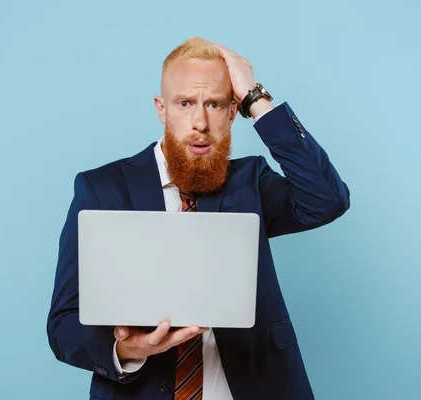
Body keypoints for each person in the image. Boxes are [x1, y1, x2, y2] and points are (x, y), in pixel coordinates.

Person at [47, 37, 350, 400]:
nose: (200, 122)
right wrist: (128, 350)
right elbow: (63, 323)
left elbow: (327, 199)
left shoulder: (250, 182)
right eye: (185, 103)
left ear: (232, 110)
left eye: (215, 104)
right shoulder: (101, 189)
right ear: (162, 108)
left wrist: (256, 98)